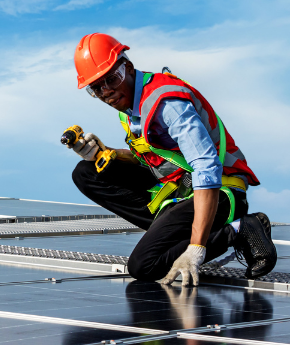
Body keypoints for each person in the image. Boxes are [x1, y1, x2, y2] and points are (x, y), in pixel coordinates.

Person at [66, 33, 277, 285]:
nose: (107, 91)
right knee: (86, 172)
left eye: (112, 79)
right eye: (97, 88)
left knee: (144, 266)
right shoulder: (130, 107)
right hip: (179, 190)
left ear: (128, 68)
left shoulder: (167, 103)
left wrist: (197, 248)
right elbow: (153, 159)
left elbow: (205, 167)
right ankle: (170, 233)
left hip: (220, 192)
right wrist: (102, 153)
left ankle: (240, 229)